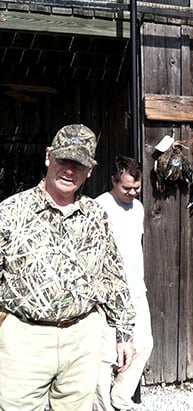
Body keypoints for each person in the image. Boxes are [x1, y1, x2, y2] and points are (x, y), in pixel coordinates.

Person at [0, 124, 136, 411]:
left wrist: (124, 334)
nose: (69, 170)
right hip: (24, 337)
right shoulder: (11, 212)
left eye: (79, 164)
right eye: (63, 160)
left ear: (90, 169)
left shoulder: (96, 215)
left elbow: (112, 274)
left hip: (82, 337)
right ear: (49, 156)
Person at [94, 156, 153, 411]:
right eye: (126, 188)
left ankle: (120, 397)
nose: (132, 193)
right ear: (113, 181)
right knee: (105, 356)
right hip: (107, 293)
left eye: (136, 188)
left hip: (136, 290)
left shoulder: (138, 207)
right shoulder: (99, 207)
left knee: (144, 343)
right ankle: (101, 406)